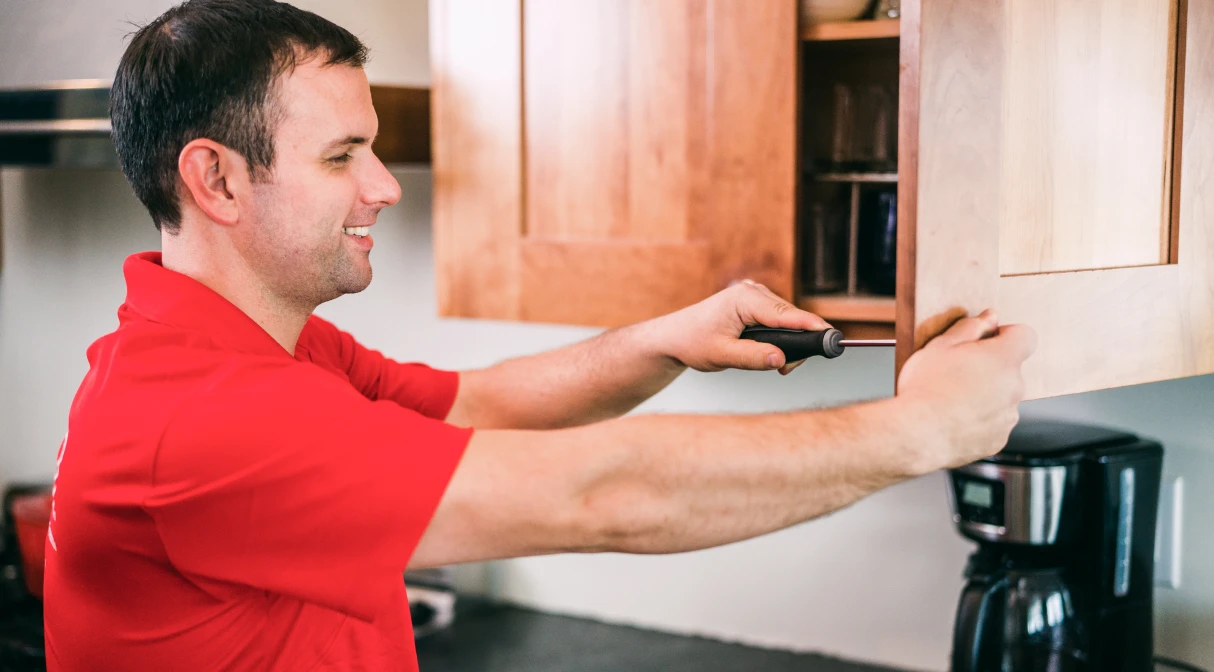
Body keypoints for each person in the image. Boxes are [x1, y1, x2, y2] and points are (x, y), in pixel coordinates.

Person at [42, 0, 1036, 670]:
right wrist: (923, 433)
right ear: (214, 179)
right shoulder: (196, 416)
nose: (383, 187)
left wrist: (665, 339)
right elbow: (602, 494)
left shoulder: (258, 347)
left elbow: (483, 404)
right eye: (344, 154)